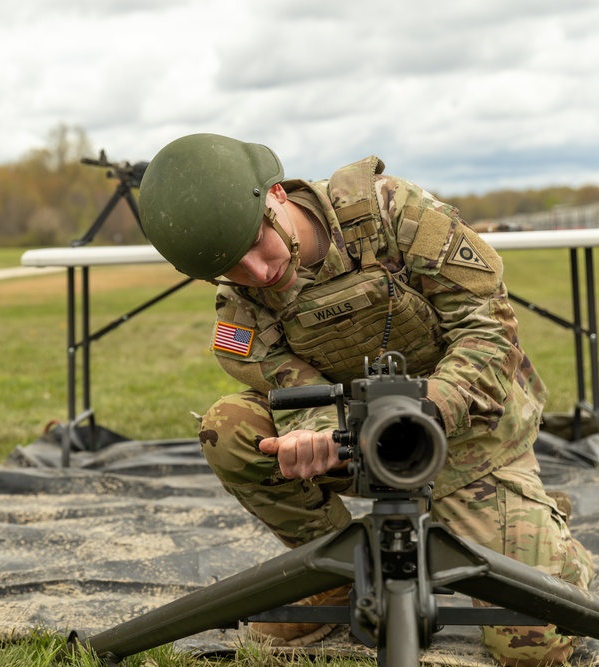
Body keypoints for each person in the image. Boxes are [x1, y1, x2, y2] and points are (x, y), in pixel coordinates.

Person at [137, 133, 595, 666]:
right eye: (232, 267)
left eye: (256, 242)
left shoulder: (391, 214)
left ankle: (543, 536)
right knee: (230, 427)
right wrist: (313, 433)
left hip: (469, 441)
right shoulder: (242, 306)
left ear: (276, 195)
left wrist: (426, 412)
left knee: (533, 647)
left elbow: (488, 330)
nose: (258, 273)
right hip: (352, 440)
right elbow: (282, 384)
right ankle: (338, 568)